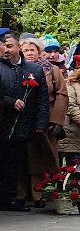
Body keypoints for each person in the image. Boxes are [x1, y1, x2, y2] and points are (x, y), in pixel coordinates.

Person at [0, 30, 46, 211]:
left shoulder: (34, 69)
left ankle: (9, 198)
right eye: (3, 46)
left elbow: (41, 99)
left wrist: (41, 123)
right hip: (3, 122)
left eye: (10, 46)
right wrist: (10, 102)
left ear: (19, 47)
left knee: (15, 163)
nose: (6, 50)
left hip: (22, 124)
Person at [20, 37, 62, 206]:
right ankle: (23, 194)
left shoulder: (52, 70)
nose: (29, 53)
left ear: (39, 52)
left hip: (47, 119)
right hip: (22, 118)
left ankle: (44, 193)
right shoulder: (17, 69)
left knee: (44, 158)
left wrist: (56, 120)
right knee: (24, 157)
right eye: (25, 50)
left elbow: (62, 94)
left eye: (32, 50)